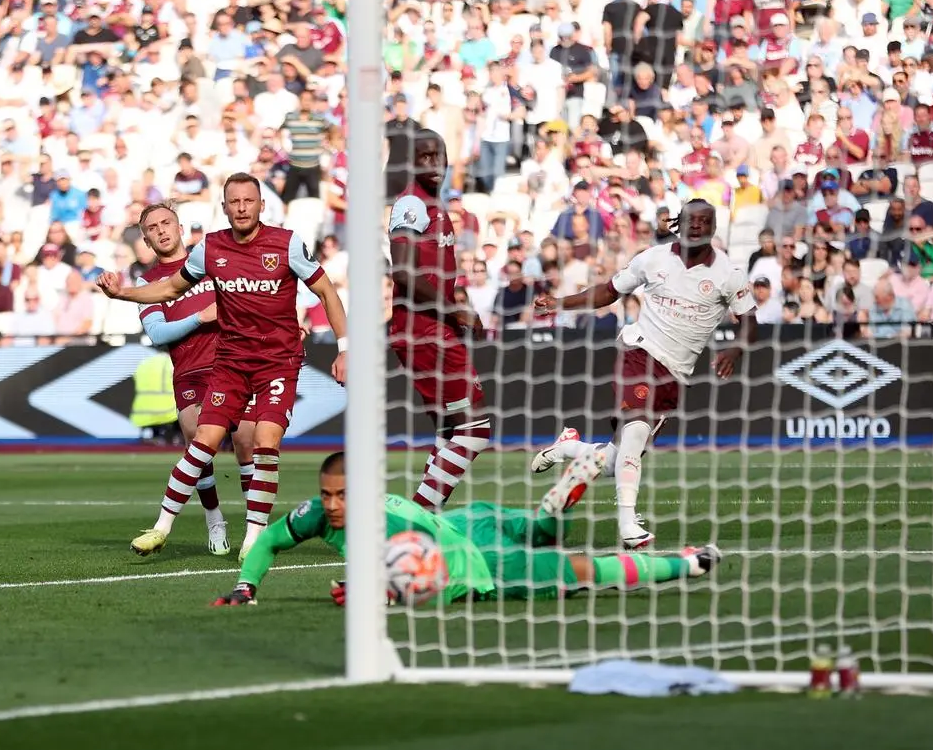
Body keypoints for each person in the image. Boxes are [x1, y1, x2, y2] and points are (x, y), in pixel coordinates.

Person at [98, 173, 348, 560]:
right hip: (219, 366)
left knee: (259, 441)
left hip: (272, 362)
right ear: (225, 208)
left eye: (249, 201)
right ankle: (180, 524)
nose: (242, 208)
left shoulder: (284, 244)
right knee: (201, 442)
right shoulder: (208, 252)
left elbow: (318, 291)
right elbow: (166, 298)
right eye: (235, 202)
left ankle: (253, 538)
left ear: (261, 204)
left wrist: (340, 345)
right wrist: (122, 293)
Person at [211, 451, 721, 606]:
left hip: (477, 561)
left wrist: (381, 589)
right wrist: (245, 585)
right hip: (468, 521)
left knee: (585, 570)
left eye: (343, 495)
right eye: (327, 496)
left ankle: (687, 562)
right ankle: (557, 498)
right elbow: (270, 542)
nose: (332, 505)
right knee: (546, 534)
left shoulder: (386, 528)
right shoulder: (319, 514)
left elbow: (420, 568)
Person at [531, 200, 757, 548]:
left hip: (675, 375)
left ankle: (569, 447)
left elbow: (750, 323)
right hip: (638, 352)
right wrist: (561, 303)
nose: (697, 226)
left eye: (705, 221)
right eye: (691, 220)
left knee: (614, 460)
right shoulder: (653, 258)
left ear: (713, 228)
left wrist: (736, 349)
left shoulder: (729, 274)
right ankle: (627, 527)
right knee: (635, 434)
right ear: (678, 223)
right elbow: (608, 292)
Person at [131, 202, 258, 557]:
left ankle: (253, 528)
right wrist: (200, 318)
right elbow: (157, 333)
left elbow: (248, 300)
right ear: (146, 238)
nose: (161, 230)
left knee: (246, 441)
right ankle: (214, 519)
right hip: (189, 370)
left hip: (232, 363)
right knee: (198, 446)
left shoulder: (210, 264)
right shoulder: (148, 283)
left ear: (179, 226)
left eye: (166, 223)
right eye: (153, 227)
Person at [387, 128, 491, 512]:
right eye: (424, 157)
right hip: (424, 331)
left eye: (439, 156)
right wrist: (455, 310)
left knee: (449, 430)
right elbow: (402, 271)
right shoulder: (411, 205)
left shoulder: (434, 205)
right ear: (412, 162)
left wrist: (455, 307)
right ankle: (416, 521)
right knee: (475, 430)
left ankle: (419, 516)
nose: (433, 164)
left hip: (434, 328)